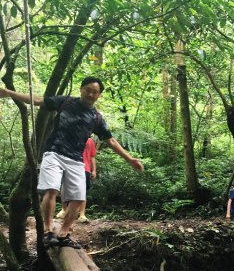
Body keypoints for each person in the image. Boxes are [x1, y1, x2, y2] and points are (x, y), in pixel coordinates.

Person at [0, 77, 144, 248]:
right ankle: (48, 231)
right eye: (88, 89)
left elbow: (110, 140)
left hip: (76, 159)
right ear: (81, 89)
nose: (90, 94)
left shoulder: (96, 118)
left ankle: (63, 233)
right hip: (54, 152)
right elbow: (38, 100)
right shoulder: (66, 102)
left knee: (78, 197)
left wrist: (129, 159)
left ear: (99, 95)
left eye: (95, 92)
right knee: (51, 189)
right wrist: (9, 93)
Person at [56, 137, 97, 223]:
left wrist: (94, 170)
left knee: (82, 191)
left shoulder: (90, 141)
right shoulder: (71, 137)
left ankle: (82, 214)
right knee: (64, 188)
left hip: (85, 168)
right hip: (69, 166)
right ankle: (64, 210)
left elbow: (92, 156)